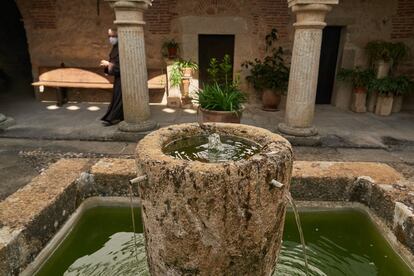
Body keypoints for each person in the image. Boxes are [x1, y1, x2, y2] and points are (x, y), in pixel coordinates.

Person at [100, 27, 123, 126]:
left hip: (123, 79)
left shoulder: (121, 47)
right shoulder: (115, 47)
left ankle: (112, 118)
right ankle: (115, 117)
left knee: (118, 99)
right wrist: (107, 66)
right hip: (118, 78)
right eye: (109, 36)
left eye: (113, 36)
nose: (111, 38)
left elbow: (122, 66)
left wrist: (108, 65)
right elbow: (114, 63)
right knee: (117, 98)